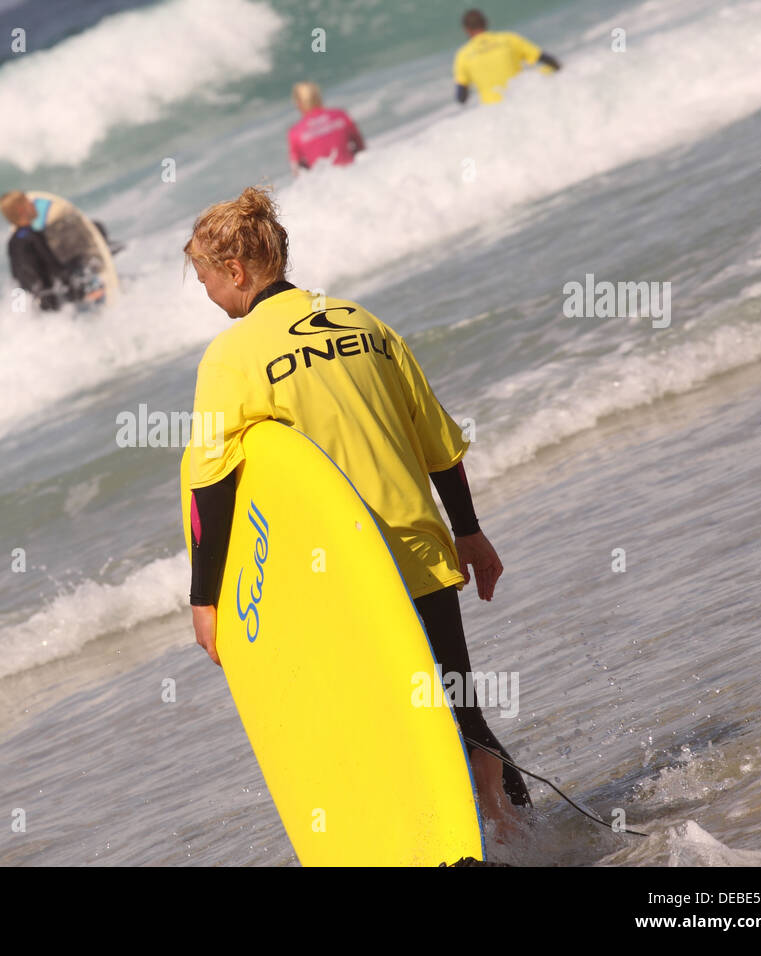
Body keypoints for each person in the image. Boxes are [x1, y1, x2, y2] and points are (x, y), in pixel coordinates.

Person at [181, 185, 531, 837]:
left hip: (343, 577)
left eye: (204, 278)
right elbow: (439, 445)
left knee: (383, 727)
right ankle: (520, 831)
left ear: (234, 271)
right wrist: (471, 533)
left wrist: (205, 599)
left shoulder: (230, 357)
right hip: (423, 552)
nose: (206, 293)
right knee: (459, 706)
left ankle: (433, 839)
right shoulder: (363, 323)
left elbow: (213, 489)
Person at [0, 190, 106, 311]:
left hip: (32, 298)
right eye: (29, 203)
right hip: (50, 299)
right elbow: (54, 268)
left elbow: (16, 275)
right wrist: (81, 294)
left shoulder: (12, 241)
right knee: (78, 263)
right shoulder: (34, 237)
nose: (33, 205)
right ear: (21, 210)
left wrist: (19, 308)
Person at [453, 8, 560, 105]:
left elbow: (461, 98)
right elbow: (550, 61)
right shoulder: (508, 39)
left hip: (496, 113)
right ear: (486, 22)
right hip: (523, 100)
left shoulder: (463, 55)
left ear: (466, 30)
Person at [287, 82, 364, 174]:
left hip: (325, 183)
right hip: (352, 173)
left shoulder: (295, 132)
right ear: (318, 96)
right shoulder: (340, 115)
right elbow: (361, 148)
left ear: (298, 103)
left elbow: (296, 170)